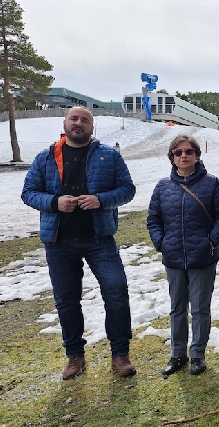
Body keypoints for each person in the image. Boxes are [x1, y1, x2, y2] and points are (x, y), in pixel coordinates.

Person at [21, 106, 137, 379]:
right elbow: (28, 193)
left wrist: (101, 200)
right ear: (65, 124)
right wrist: (54, 202)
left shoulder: (109, 155)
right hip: (59, 240)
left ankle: (120, 354)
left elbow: (127, 190)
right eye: (74, 118)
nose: (79, 123)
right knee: (67, 300)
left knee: (117, 291)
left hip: (99, 238)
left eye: (85, 120)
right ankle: (74, 356)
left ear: (91, 127)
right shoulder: (46, 157)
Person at [147, 135, 219, 376]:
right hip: (173, 257)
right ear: (172, 157)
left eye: (189, 151)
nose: (183, 155)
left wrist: (211, 241)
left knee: (201, 308)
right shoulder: (163, 187)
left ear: (197, 155)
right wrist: (161, 242)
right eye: (178, 152)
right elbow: (154, 219)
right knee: (177, 307)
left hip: (202, 256)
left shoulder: (211, 183)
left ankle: (197, 354)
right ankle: (177, 354)